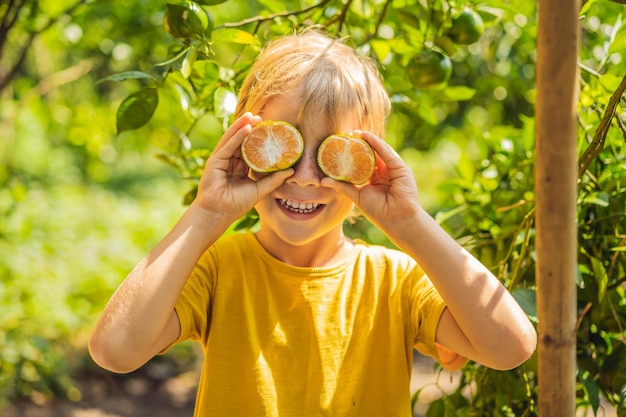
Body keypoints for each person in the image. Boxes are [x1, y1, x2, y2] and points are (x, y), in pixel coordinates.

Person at [89, 29, 537, 416]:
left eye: (332, 151)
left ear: (368, 161)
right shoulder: (217, 270)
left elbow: (510, 346)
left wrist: (409, 223)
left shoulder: (395, 282)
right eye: (282, 145)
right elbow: (115, 350)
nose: (304, 177)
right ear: (245, 145)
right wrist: (207, 214)